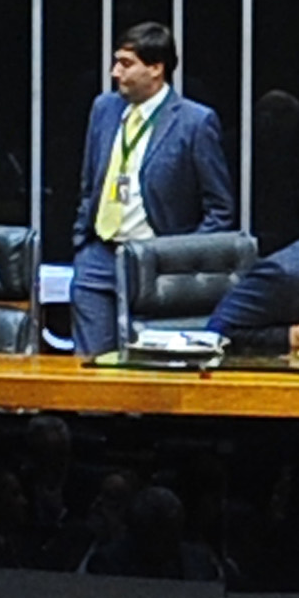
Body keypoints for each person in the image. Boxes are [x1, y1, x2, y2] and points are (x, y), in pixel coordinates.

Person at [69, 23, 235, 357]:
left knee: (153, 367)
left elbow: (220, 209)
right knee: (90, 367)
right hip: (99, 257)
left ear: (156, 68)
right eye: (116, 62)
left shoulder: (195, 122)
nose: (115, 72)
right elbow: (89, 182)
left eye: (126, 63)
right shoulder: (104, 109)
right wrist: (82, 239)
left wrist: (180, 258)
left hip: (157, 260)